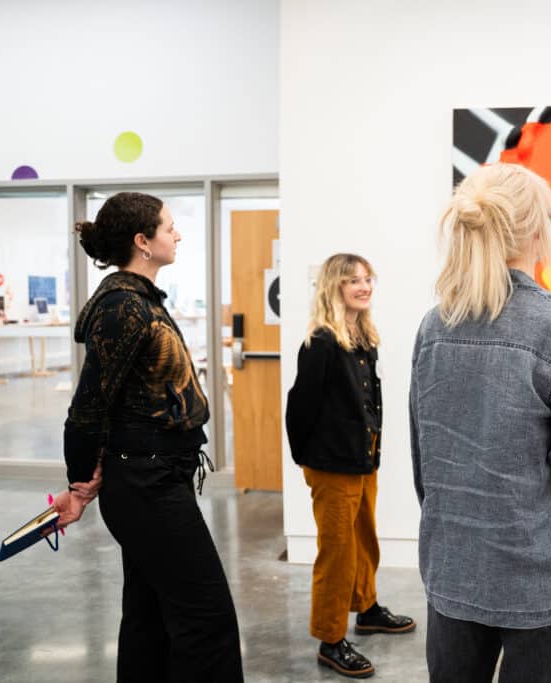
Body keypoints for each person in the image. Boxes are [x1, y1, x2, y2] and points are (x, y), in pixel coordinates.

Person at [409, 162, 551, 683]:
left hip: (454, 568)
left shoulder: (435, 326)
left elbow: (425, 460)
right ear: (536, 231)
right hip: (542, 575)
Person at [51, 191, 243, 682]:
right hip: (146, 483)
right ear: (143, 241)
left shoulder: (139, 300)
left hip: (155, 476)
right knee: (206, 618)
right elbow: (89, 405)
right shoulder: (124, 308)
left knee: (150, 618)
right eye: (168, 226)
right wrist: (78, 483)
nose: (177, 234)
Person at [285, 253, 415, 679]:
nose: (364, 286)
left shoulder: (362, 337)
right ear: (333, 287)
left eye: (367, 279)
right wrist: (306, 458)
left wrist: (370, 450)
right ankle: (330, 638)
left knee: (364, 539)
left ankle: (368, 608)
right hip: (332, 465)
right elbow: (299, 407)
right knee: (337, 553)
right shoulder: (321, 342)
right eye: (353, 281)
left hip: (363, 458)